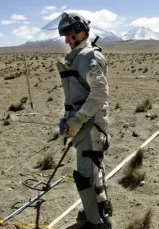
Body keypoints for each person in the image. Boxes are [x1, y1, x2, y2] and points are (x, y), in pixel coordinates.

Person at [51, 12, 113, 229]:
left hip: (90, 127)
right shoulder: (78, 57)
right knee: (92, 171)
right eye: (64, 36)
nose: (66, 40)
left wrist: (78, 120)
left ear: (81, 32)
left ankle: (95, 222)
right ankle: (97, 210)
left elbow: (99, 93)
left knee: (86, 174)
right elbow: (74, 97)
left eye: (69, 35)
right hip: (82, 125)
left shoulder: (89, 57)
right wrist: (66, 123)